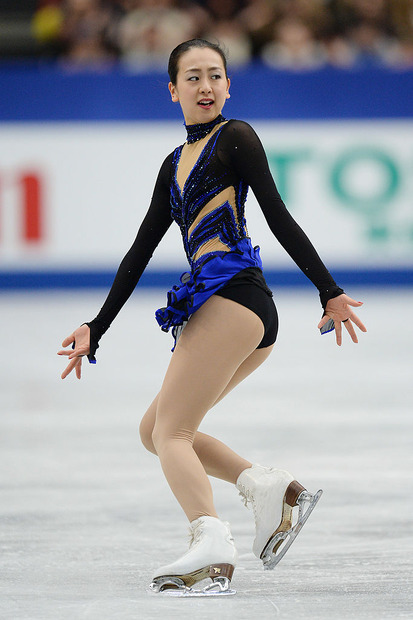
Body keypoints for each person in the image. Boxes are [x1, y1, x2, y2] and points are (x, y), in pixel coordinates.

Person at [58, 38, 366, 596]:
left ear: (228, 85)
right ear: (172, 90)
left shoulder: (237, 138)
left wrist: (330, 290)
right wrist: (95, 326)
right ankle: (267, 487)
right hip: (233, 310)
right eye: (193, 77)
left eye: (215, 76)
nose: (205, 86)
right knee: (156, 431)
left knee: (171, 432)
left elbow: (277, 214)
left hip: (234, 298)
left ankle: (210, 545)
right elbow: (140, 250)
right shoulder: (172, 165)